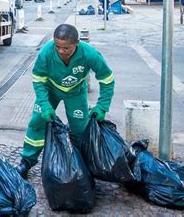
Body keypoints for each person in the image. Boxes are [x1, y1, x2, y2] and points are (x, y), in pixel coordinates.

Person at [15, 24, 115, 178]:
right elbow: (38, 80)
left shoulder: (90, 55)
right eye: (58, 47)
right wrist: (44, 104)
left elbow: (107, 79)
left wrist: (102, 106)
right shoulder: (46, 53)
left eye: (66, 48)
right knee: (37, 123)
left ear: (77, 43)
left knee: (80, 128)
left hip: (76, 92)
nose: (61, 51)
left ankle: (79, 164)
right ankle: (26, 162)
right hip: (50, 89)